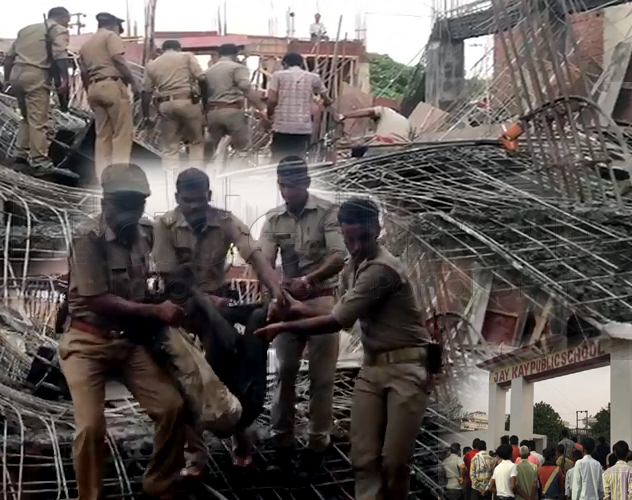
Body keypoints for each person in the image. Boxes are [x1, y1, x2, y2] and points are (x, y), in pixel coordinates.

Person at [254, 198, 434, 500]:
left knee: (394, 462)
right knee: (363, 459)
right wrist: (296, 308)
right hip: (373, 368)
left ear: (378, 228)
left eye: (362, 238)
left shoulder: (382, 271)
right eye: (349, 239)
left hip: (407, 370)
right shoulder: (354, 268)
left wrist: (282, 327)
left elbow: (337, 320)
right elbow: (340, 310)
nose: (355, 246)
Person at [60, 163, 187, 500]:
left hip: (129, 342)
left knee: (172, 407)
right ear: (105, 203)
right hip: (86, 343)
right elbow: (98, 300)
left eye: (139, 204)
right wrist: (155, 311)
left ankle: (159, 483)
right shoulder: (88, 238)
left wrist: (174, 297)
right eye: (125, 205)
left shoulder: (145, 234)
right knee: (90, 427)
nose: (133, 212)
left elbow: (150, 284)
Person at [151, 167, 283, 477]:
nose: (194, 207)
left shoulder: (224, 220)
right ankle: (196, 455)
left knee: (229, 375)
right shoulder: (164, 225)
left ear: (209, 196)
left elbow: (255, 255)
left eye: (200, 201)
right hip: (182, 310)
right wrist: (208, 302)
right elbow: (172, 280)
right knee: (187, 384)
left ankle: (242, 439)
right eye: (187, 202)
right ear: (177, 198)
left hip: (218, 312)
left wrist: (277, 292)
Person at [255, 156, 346, 477]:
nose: (285, 191)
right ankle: (282, 444)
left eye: (291, 185)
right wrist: (275, 290)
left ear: (306, 183)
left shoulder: (328, 212)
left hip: (322, 302)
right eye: (281, 184)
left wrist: (310, 279)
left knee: (322, 379)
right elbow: (264, 260)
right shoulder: (274, 219)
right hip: (288, 303)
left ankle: (316, 447)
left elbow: (339, 255)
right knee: (285, 375)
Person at [2, 7, 78, 178]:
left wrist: (7, 80)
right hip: (36, 75)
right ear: (62, 17)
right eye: (68, 20)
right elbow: (60, 55)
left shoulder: (26, 30)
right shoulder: (58, 29)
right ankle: (40, 161)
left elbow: (8, 58)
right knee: (38, 121)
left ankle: (20, 156)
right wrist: (65, 80)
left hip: (17, 74)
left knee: (26, 118)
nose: (69, 23)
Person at [77, 14, 138, 182]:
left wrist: (90, 90)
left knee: (102, 135)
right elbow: (117, 59)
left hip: (94, 87)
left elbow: (83, 72)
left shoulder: (86, 44)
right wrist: (133, 82)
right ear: (114, 25)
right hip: (112, 85)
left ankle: (103, 176)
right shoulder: (110, 36)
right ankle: (120, 175)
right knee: (121, 133)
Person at [141, 40, 206, 169]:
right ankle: (195, 175)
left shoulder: (152, 64)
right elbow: (201, 78)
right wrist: (203, 98)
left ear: (162, 49)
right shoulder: (187, 57)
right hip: (187, 101)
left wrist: (146, 116)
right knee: (196, 141)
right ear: (179, 48)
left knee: (170, 146)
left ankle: (170, 179)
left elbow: (146, 92)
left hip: (165, 105)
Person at [203, 43, 265, 161]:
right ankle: (237, 176)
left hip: (212, 112)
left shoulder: (209, 71)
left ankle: (206, 173)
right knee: (243, 149)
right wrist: (261, 107)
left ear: (219, 54)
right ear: (236, 54)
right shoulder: (237, 68)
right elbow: (245, 88)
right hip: (232, 110)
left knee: (211, 148)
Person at [265, 52, 332, 161]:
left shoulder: (278, 76)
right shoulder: (313, 77)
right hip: (303, 127)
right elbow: (326, 98)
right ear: (301, 64)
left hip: (282, 126)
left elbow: (272, 100)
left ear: (285, 64)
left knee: (278, 157)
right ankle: (296, 176)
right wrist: (326, 103)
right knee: (298, 157)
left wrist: (269, 114)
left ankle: (276, 176)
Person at [337, 105, 412, 145]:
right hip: (400, 151)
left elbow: (369, 112)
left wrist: (345, 115)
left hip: (383, 145)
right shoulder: (406, 121)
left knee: (361, 158)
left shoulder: (385, 110)